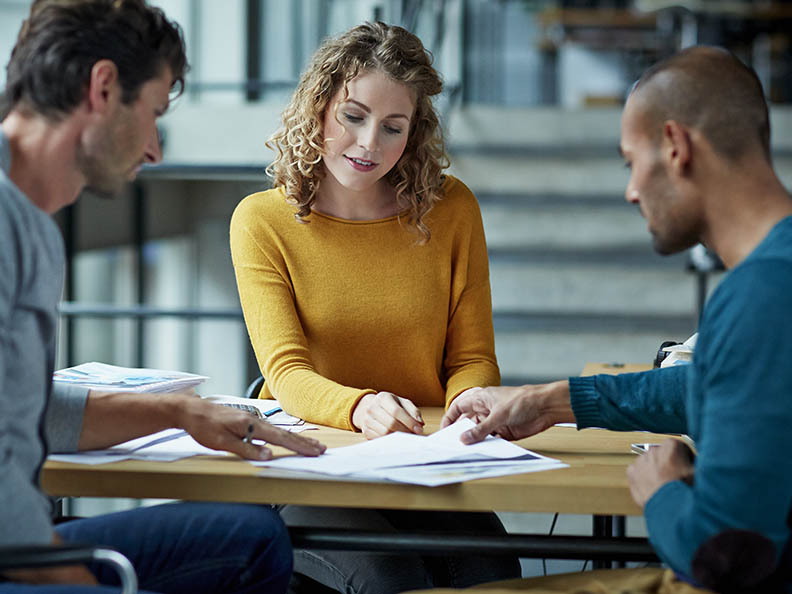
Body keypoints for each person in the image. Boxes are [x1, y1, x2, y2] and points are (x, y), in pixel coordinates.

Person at [440, 46, 792, 594]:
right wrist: (554, 400)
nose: (630, 190)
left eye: (632, 162)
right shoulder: (777, 269)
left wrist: (663, 492)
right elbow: (712, 384)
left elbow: (725, 558)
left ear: (675, 147)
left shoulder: (762, 295)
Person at [0, 1, 325, 593]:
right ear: (102, 87)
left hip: (17, 541)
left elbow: (20, 407)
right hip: (11, 551)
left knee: (250, 539)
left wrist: (179, 412)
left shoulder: (32, 226)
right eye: (153, 114)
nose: (154, 149)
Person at [230, 21, 520, 594]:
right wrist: (362, 407)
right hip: (311, 462)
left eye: (393, 127)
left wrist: (472, 397)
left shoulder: (452, 208)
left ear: (414, 133)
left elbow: (473, 357)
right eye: (353, 117)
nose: (369, 145)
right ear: (318, 109)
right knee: (393, 579)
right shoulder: (261, 221)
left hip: (424, 457)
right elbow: (286, 374)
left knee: (493, 571)